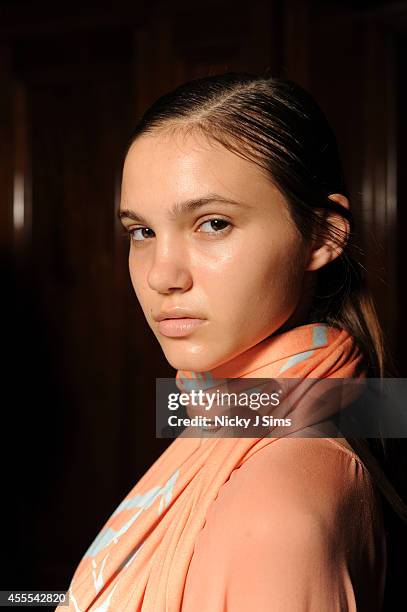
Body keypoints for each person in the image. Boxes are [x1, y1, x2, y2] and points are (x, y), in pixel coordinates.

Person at [57, 72, 404, 611]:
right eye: (142, 232)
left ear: (323, 235)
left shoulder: (275, 508)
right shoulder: (261, 415)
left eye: (213, 223)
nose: (161, 276)